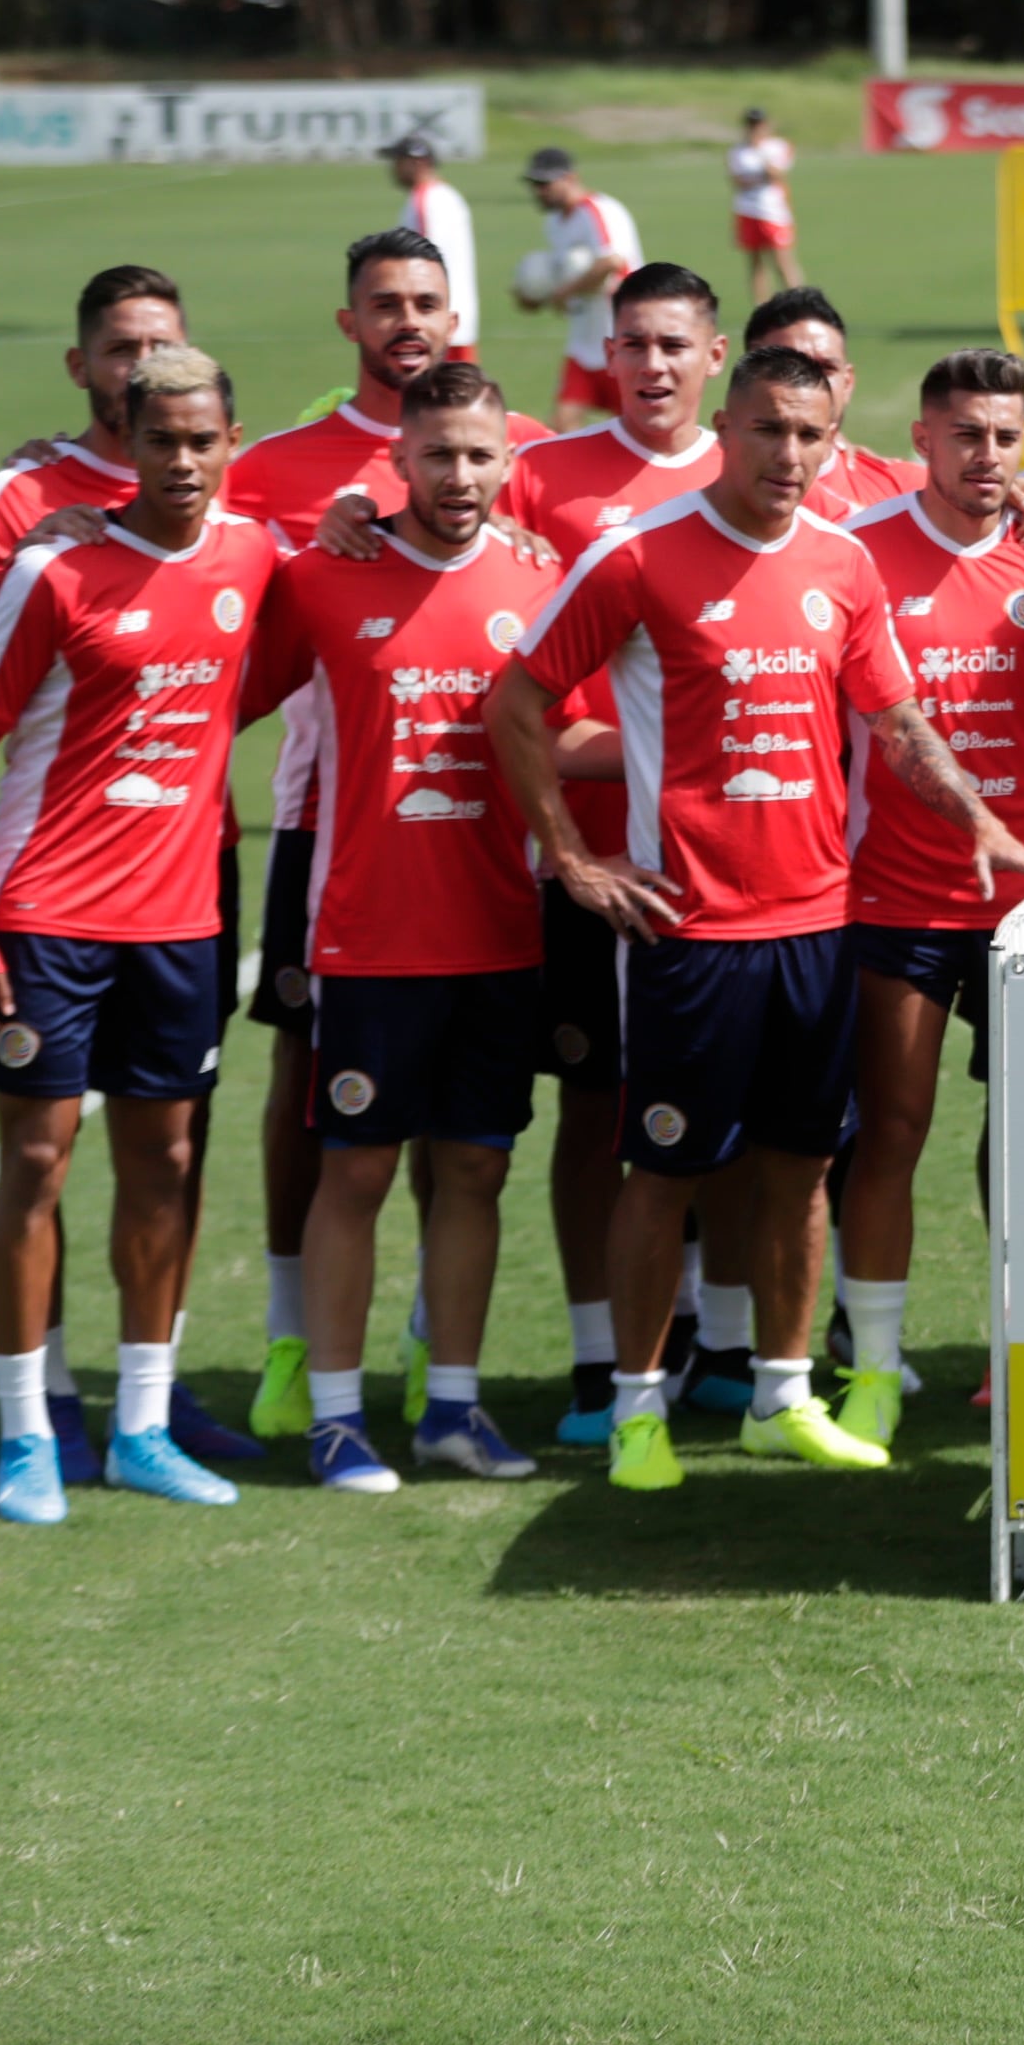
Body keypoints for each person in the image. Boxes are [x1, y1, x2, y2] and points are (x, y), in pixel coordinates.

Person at [494, 345, 1024, 1494]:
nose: (787, 455)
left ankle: (782, 1398)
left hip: (816, 921)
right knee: (668, 1170)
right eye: (766, 431)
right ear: (727, 428)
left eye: (806, 434)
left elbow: (896, 720)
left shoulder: (841, 564)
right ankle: (639, 1410)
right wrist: (572, 856)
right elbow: (516, 703)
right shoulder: (635, 557)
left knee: (803, 1168)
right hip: (687, 929)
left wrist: (977, 821)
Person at [323, 261, 725, 1431]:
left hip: (709, 858)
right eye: (632, 344)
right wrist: (346, 512)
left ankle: (713, 1334)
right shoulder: (538, 472)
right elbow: (423, 510)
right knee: (590, 1110)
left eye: (673, 345)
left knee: (714, 1114)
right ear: (607, 349)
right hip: (559, 863)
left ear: (712, 354)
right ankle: (599, 1355)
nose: (651, 365)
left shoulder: (756, 458)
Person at [0, 346, 271, 1523]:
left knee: (166, 1162)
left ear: (233, 441)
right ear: (122, 441)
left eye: (203, 439)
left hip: (181, 924)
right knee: (36, 1162)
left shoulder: (254, 554)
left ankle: (141, 1425)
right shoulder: (57, 568)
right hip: (45, 919)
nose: (182, 461)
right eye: (161, 438)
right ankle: (29, 1430)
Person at [224, 230, 549, 1437]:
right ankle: (308, 1374)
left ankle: (445, 1391)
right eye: (384, 301)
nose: (406, 315)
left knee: (473, 1155)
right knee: (334, 1130)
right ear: (349, 318)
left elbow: (587, 715)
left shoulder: (536, 566)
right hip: (342, 850)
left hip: (495, 894)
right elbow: (216, 662)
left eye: (426, 300)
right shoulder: (306, 519)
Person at [837, 350, 1024, 1448]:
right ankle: (877, 1371)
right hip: (895, 890)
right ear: (923, 439)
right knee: (889, 1132)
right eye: (967, 436)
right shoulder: (859, 554)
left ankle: (1016, 1352)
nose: (989, 456)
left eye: (1005, 436)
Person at [0, 265, 189, 672]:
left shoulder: (225, 483)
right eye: (121, 350)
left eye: (164, 349)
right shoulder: (16, 496)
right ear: (79, 367)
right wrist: (20, 576)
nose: (145, 370)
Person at [747, 286, 920, 518]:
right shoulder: (705, 482)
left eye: (826, 368)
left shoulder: (907, 494)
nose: (812, 382)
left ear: (847, 382)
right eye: (790, 367)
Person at [516, 147, 642, 428]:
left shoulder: (597, 210)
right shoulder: (555, 223)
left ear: (570, 178)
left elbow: (612, 261)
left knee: (636, 432)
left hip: (619, 339)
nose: (539, 191)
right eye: (534, 185)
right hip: (584, 343)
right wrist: (537, 295)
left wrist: (565, 292)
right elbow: (568, 275)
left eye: (545, 184)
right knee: (561, 425)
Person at [385, 132, 481, 361]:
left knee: (442, 394)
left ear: (418, 162)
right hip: (451, 314)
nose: (393, 169)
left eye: (399, 161)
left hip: (434, 320)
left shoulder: (425, 199)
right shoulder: (447, 195)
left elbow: (425, 258)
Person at [729, 106, 802, 303]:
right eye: (751, 125)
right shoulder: (738, 151)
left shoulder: (777, 147)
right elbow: (738, 182)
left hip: (773, 212)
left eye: (758, 124)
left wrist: (761, 157)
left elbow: (776, 174)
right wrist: (760, 177)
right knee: (755, 264)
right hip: (747, 210)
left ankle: (799, 304)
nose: (755, 129)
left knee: (782, 261)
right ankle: (761, 307)